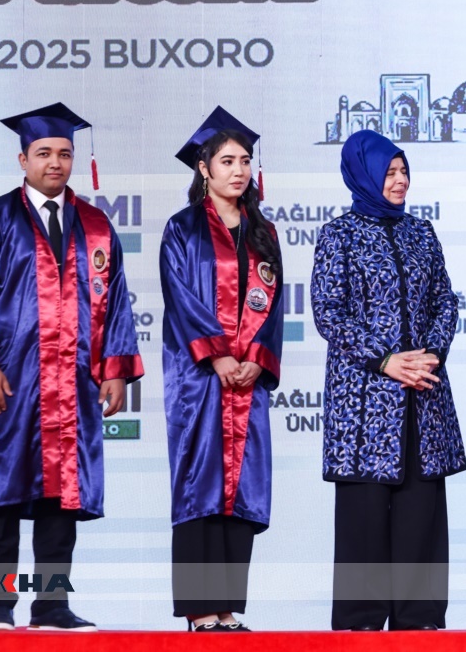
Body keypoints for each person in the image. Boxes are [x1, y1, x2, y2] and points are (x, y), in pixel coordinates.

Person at [0, 103, 142, 632]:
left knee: (63, 498)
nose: (55, 163)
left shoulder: (96, 226)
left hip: (74, 382)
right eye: (44, 153)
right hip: (13, 379)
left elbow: (115, 303)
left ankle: (51, 604)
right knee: (2, 494)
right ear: (23, 159)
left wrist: (115, 369)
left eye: (64, 153)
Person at [312, 131, 466, 631]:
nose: (399, 181)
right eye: (389, 172)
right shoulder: (339, 234)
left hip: (423, 393)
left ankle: (420, 623)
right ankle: (359, 626)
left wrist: (429, 357)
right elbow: (328, 312)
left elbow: (445, 301)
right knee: (364, 519)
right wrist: (385, 361)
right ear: (364, 175)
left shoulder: (422, 232)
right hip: (364, 403)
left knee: (422, 516)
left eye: (404, 172)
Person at [160, 107, 284, 632]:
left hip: (247, 382)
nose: (239, 170)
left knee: (240, 494)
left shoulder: (263, 231)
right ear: (204, 168)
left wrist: (256, 359)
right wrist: (218, 355)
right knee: (200, 487)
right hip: (200, 380)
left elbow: (274, 308)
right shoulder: (182, 229)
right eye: (227, 160)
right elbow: (180, 299)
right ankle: (199, 610)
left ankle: (227, 609)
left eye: (245, 160)